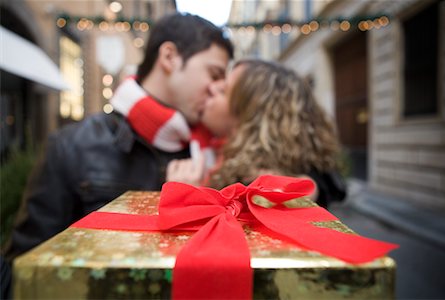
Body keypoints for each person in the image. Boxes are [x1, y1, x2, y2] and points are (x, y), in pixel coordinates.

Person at [2, 13, 233, 265]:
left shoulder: (212, 150)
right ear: (169, 57)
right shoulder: (73, 145)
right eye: (214, 74)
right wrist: (166, 209)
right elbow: (26, 268)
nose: (217, 89)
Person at [167, 59, 346, 207]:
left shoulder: (258, 183)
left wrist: (189, 200)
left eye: (224, 90)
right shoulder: (220, 149)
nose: (212, 87)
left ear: (248, 116)